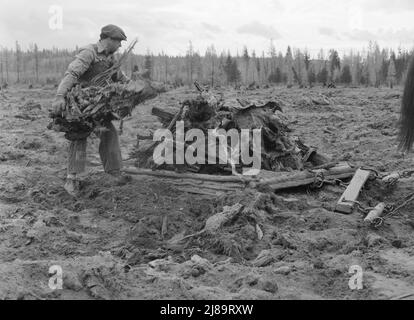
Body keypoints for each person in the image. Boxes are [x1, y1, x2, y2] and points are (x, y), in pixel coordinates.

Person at [52, 24, 131, 196]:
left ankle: (114, 172)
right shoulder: (89, 53)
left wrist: (136, 88)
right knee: (79, 138)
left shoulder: (111, 59)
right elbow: (71, 74)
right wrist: (59, 96)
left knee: (109, 133)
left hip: (100, 106)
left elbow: (121, 78)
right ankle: (73, 178)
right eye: (119, 42)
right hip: (81, 107)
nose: (120, 46)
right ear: (109, 39)